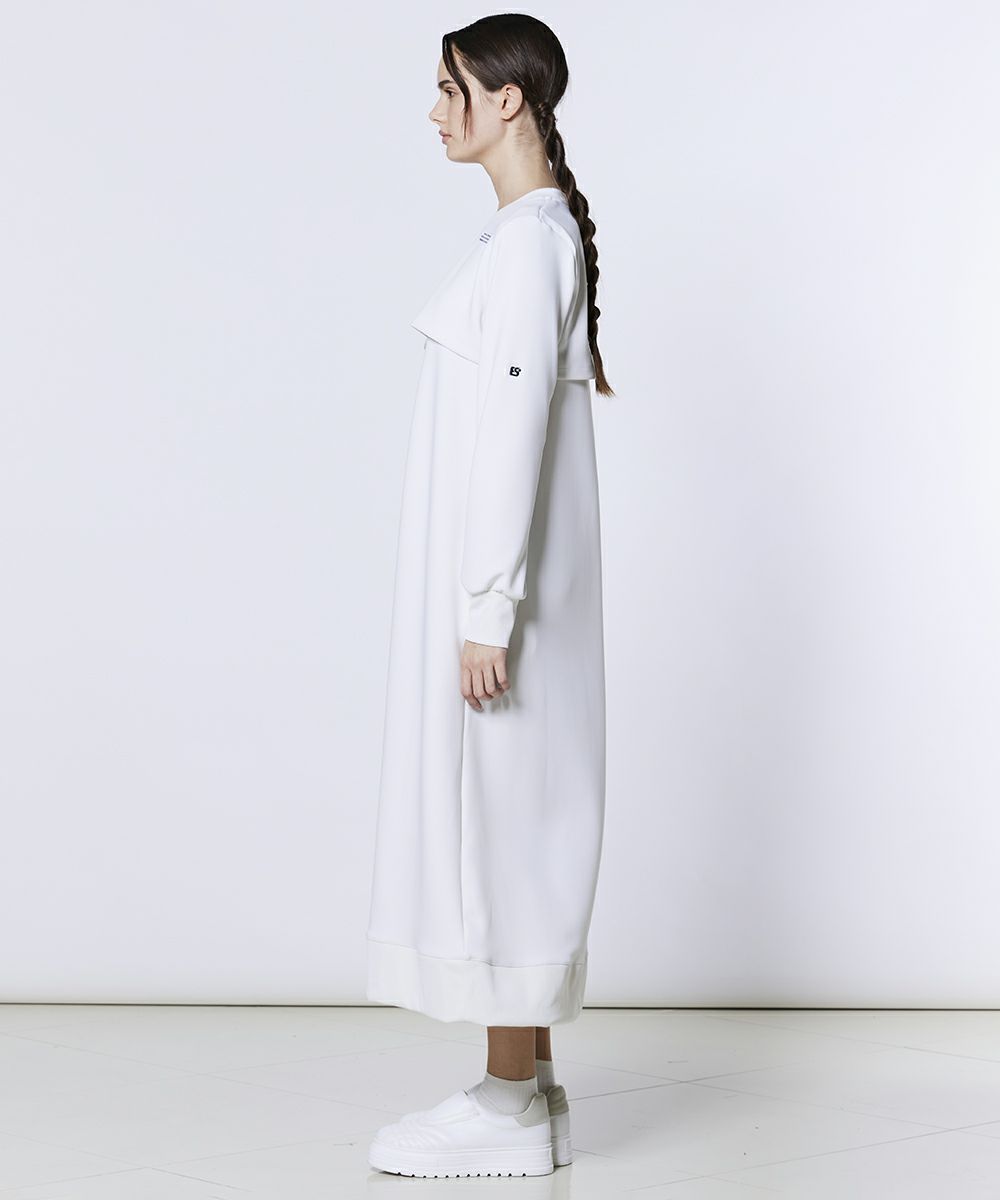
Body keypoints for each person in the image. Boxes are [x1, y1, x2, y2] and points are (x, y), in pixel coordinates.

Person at [365, 12, 613, 1179]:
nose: (434, 112)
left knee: (503, 834)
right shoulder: (531, 235)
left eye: (449, 88)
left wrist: (484, 611)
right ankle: (529, 1091)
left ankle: (509, 1105)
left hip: (503, 615)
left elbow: (512, 430)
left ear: (504, 99)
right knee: (510, 825)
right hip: (509, 602)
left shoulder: (526, 245)